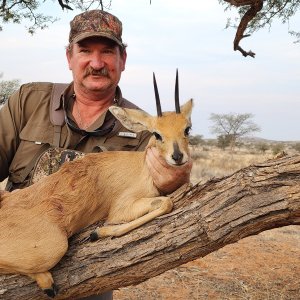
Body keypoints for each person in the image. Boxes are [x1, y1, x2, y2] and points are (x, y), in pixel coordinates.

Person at [0, 10, 192, 299]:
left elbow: (149, 206)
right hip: (19, 235)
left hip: (88, 278)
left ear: (122, 60)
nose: (97, 62)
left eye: (107, 52)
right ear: (69, 57)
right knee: (48, 249)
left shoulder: (147, 134)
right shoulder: (29, 100)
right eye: (86, 50)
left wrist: (172, 182)